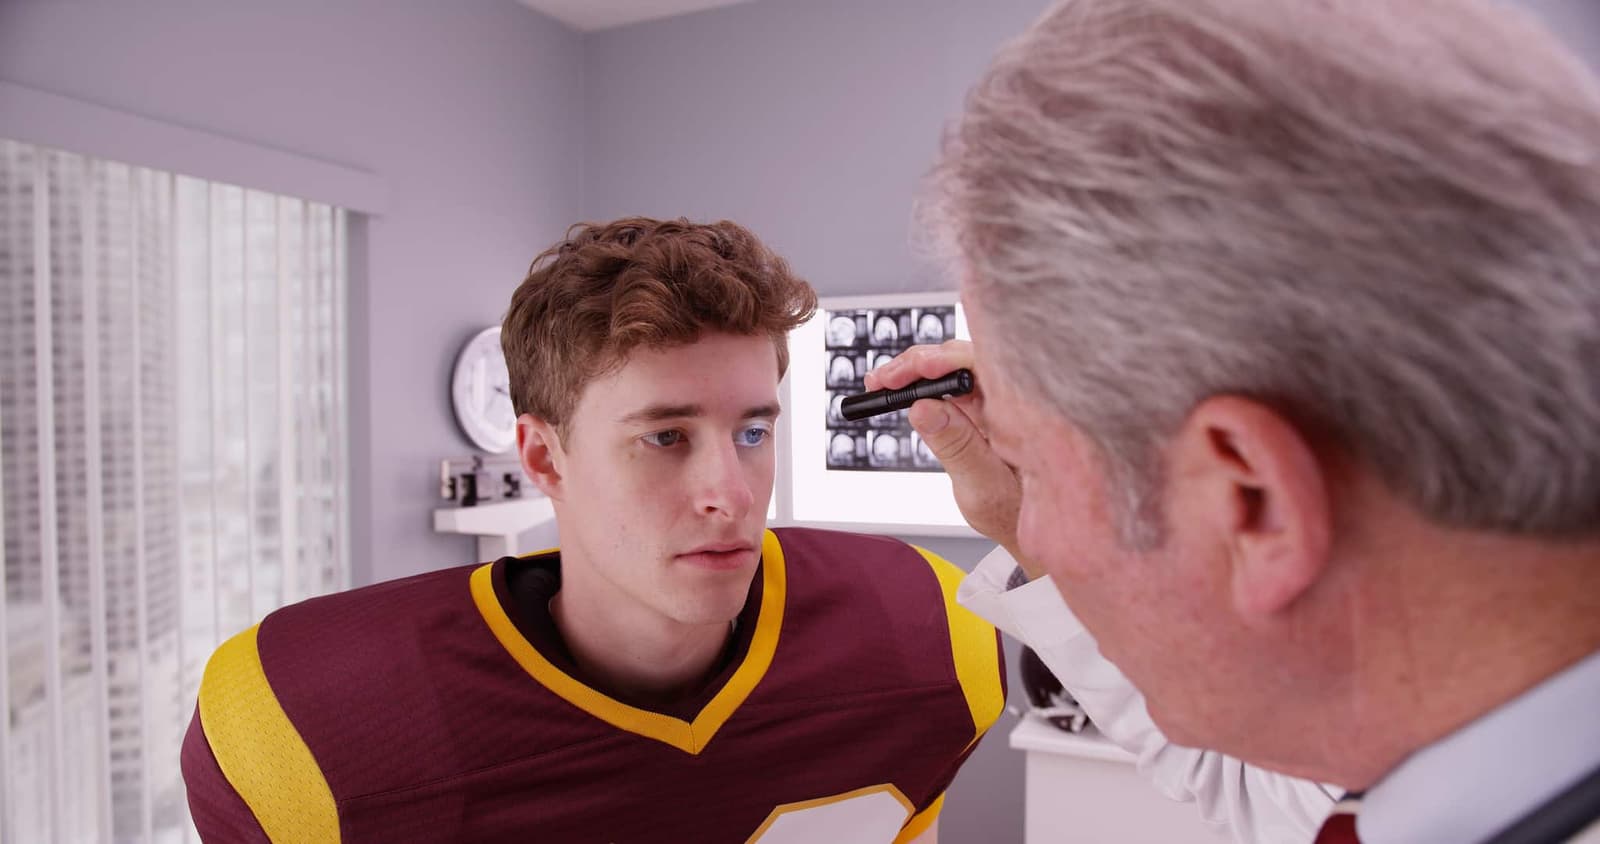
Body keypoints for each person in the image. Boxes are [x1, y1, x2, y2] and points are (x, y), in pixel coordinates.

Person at [872, 0, 1600, 841]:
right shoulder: (1421, 753)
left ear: (1251, 499)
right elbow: (1238, 764)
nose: (1027, 525)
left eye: (1029, 468)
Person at [181, 218, 1005, 843]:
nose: (730, 494)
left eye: (753, 431)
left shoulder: (932, 634)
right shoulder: (302, 734)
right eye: (666, 437)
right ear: (545, 458)